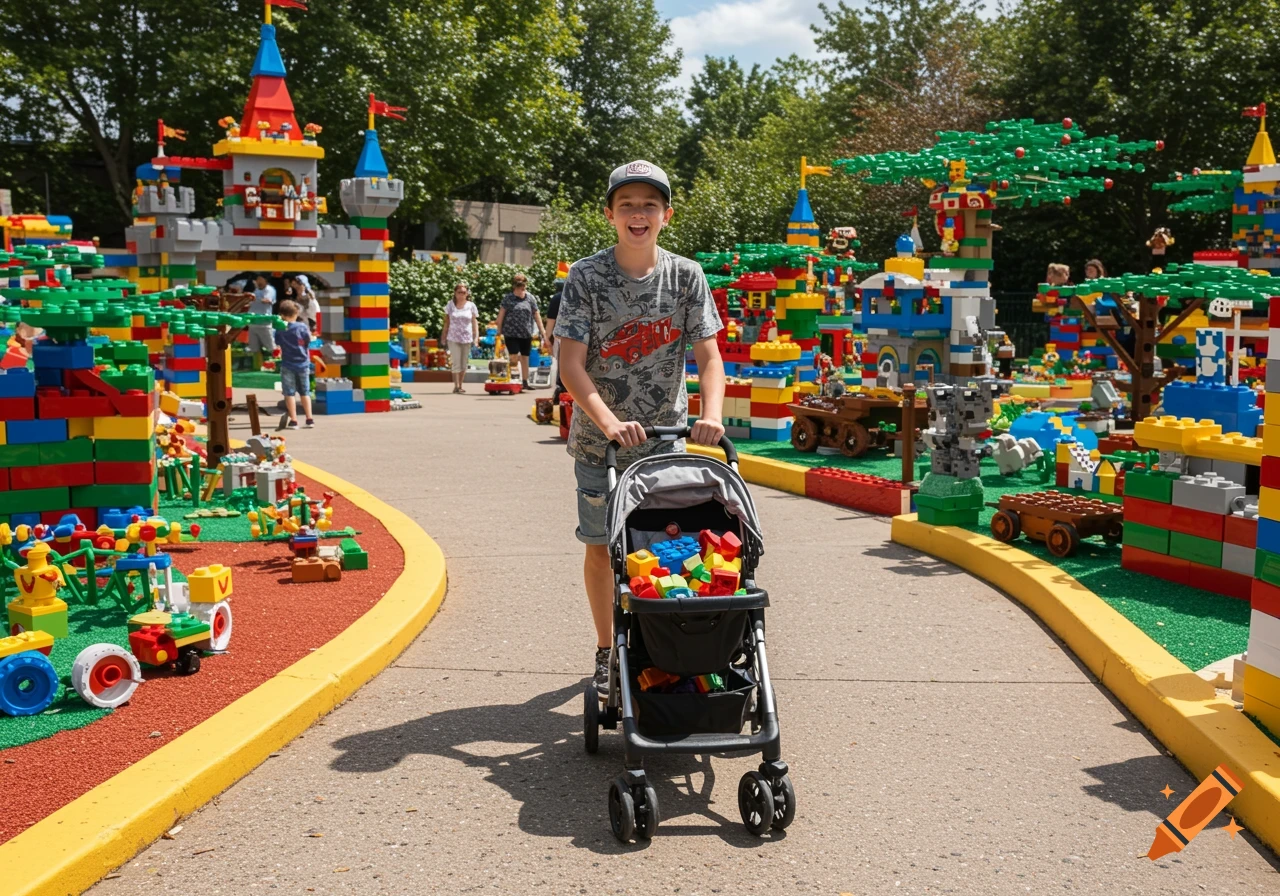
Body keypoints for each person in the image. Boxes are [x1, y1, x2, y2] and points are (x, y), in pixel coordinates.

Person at [554, 160, 726, 696]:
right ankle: (607, 649)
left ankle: (671, 642)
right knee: (603, 545)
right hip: (599, 444)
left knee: (675, 543)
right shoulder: (586, 277)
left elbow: (709, 355)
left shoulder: (686, 276)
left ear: (666, 215)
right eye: (626, 204)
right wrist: (608, 422)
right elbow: (571, 363)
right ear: (609, 214)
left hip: (667, 442)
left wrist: (712, 414)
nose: (638, 214)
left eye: (649, 205)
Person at [495, 273, 547, 386]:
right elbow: (501, 315)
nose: (522, 289)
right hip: (511, 333)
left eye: (523, 287)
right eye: (519, 287)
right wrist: (498, 331)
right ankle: (514, 379)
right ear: (514, 286)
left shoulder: (530, 298)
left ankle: (525, 381)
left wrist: (542, 331)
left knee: (525, 357)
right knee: (513, 356)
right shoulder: (508, 298)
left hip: (526, 333)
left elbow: (536, 315)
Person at [274, 299, 314, 429]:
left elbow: (278, 342)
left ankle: (294, 420)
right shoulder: (302, 327)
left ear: (282, 315)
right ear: (296, 313)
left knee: (289, 393)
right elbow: (308, 341)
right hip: (303, 363)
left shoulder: (280, 329)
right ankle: (309, 419)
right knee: (305, 392)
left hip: (287, 363)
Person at [441, 282, 480, 393]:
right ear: (455, 293)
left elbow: (474, 321)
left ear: (467, 293)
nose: (462, 294)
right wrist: (443, 335)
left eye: (464, 292)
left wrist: (476, 336)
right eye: (459, 292)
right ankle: (456, 386)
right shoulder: (450, 305)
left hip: (466, 337)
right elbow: (447, 321)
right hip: (453, 337)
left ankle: (461, 385)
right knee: (456, 361)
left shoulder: (471, 305)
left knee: (464, 363)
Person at [247, 273, 277, 369]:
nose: (259, 281)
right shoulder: (255, 290)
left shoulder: (269, 290)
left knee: (271, 347)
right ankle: (257, 366)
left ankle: (276, 365)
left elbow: (267, 300)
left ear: (265, 281)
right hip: (253, 323)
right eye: (257, 279)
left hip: (264, 323)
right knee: (254, 347)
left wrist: (255, 299)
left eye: (261, 279)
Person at [545, 276, 566, 402]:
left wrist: (547, 338)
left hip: (561, 336)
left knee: (562, 364)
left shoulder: (557, 298)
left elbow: (551, 320)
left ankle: (562, 391)